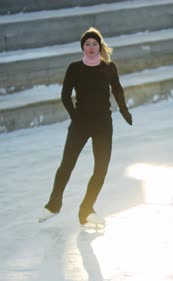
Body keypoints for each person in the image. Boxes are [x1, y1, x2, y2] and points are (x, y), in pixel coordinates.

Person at [42, 27, 133, 226]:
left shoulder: (109, 67)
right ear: (82, 47)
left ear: (99, 46)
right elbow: (65, 95)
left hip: (103, 125)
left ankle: (86, 210)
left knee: (100, 169)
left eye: (94, 44)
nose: (91, 47)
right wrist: (75, 118)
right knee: (66, 165)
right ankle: (53, 204)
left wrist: (124, 110)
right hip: (80, 125)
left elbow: (117, 89)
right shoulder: (74, 68)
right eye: (87, 44)